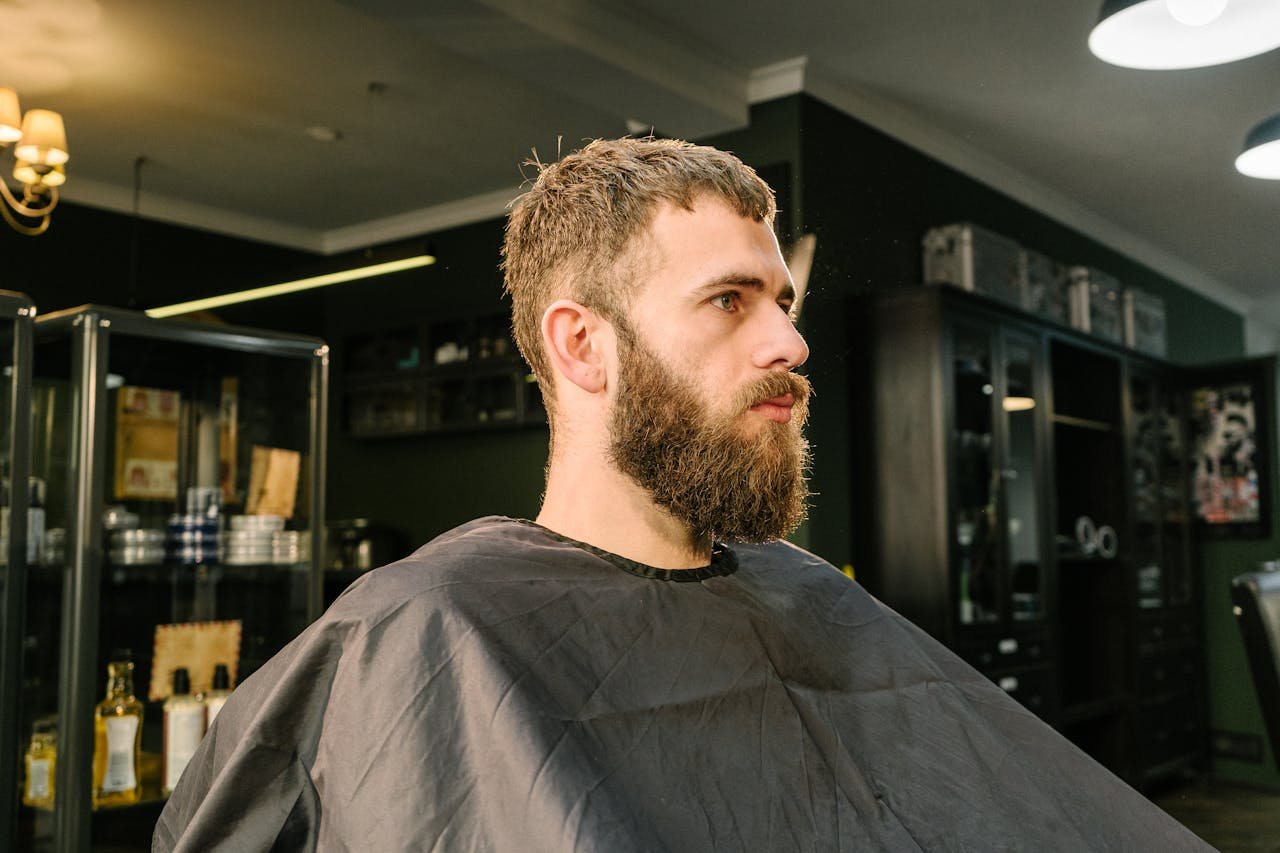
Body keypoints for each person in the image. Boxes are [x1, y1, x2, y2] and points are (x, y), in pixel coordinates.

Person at [154, 138, 1209, 851]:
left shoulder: (802, 591)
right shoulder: (428, 627)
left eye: (782, 303)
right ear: (582, 346)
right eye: (727, 299)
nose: (791, 342)